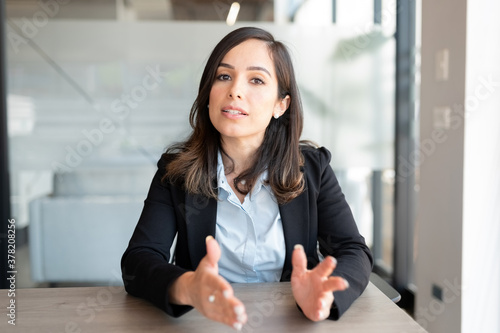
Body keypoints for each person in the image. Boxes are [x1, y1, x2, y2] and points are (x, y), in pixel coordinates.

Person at [121, 26, 373, 330]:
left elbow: (352, 251)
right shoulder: (176, 171)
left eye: (256, 80)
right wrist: (188, 287)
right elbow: (138, 261)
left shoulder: (312, 168)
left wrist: (324, 295)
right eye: (224, 76)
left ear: (281, 105)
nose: (235, 91)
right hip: (204, 322)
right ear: (208, 95)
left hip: (291, 320)